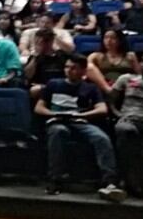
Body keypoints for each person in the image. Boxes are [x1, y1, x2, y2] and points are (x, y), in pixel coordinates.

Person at [34, 54, 125, 201]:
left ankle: (110, 181)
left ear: (83, 71)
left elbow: (102, 109)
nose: (69, 70)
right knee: (58, 132)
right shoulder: (53, 84)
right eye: (67, 67)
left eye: (74, 68)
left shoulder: (90, 88)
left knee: (101, 138)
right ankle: (55, 179)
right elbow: (39, 108)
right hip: (57, 121)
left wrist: (83, 116)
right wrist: (54, 114)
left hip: (81, 121)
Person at [23, 28, 69, 100]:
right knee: (35, 90)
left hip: (60, 85)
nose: (39, 44)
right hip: (41, 86)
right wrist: (36, 56)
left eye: (43, 42)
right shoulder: (34, 57)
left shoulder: (62, 55)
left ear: (51, 41)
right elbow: (28, 75)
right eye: (37, 42)